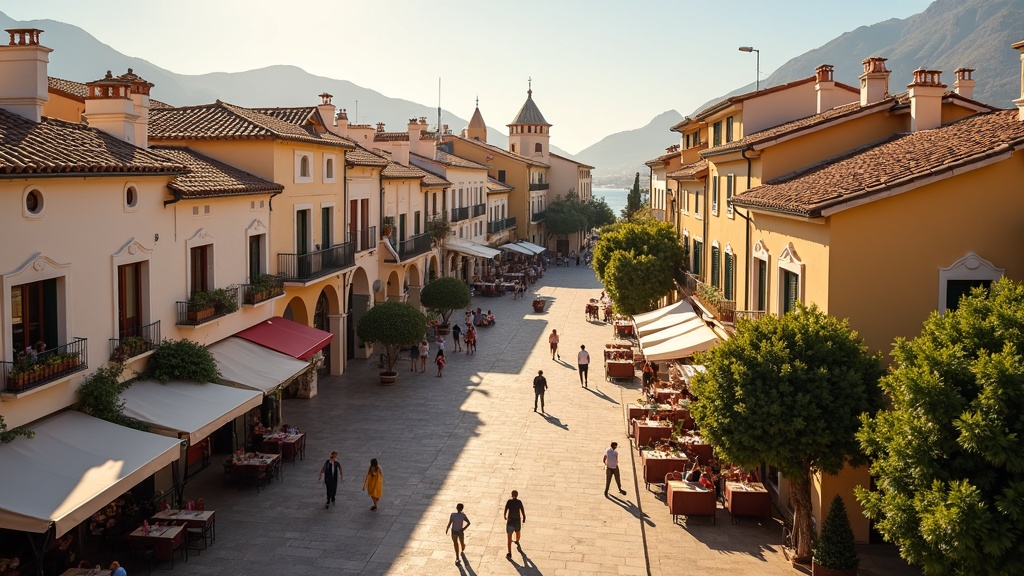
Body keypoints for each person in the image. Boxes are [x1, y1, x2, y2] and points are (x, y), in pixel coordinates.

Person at [503, 490, 526, 560]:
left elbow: (506, 509)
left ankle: (509, 552)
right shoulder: (519, 502)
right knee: (518, 532)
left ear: (511, 495)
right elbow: (522, 510)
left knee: (509, 537)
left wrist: (504, 515)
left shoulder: (509, 502)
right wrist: (524, 517)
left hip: (510, 520)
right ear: (517, 495)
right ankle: (517, 540)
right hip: (517, 520)